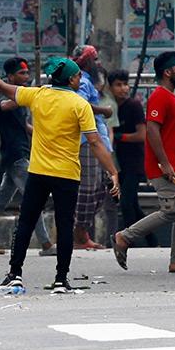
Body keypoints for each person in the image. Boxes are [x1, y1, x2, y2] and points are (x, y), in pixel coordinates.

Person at [0, 55, 120, 293]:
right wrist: (112, 171)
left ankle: (15, 273)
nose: (80, 78)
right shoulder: (79, 104)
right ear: (71, 79)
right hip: (67, 174)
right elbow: (94, 142)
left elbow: (0, 86)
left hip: (39, 172)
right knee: (64, 226)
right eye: (78, 75)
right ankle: (61, 279)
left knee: (25, 223)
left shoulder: (38, 95)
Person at [112, 52, 175, 273]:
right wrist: (165, 163)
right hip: (166, 167)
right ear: (168, 72)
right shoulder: (160, 96)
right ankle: (124, 237)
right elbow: (152, 129)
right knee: (171, 211)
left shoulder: (170, 96)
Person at [0, 58, 54, 255]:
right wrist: (33, 94)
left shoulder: (22, 98)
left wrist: (45, 135)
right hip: (16, 155)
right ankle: (46, 244)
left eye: (26, 74)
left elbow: (23, 126)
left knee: (0, 201)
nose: (25, 77)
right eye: (21, 74)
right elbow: (5, 106)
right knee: (33, 197)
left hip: (17, 154)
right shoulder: (5, 95)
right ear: (10, 77)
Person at [72, 45, 114, 249]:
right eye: (95, 59)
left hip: (98, 141)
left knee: (101, 188)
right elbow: (79, 105)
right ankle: (79, 234)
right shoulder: (83, 81)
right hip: (87, 142)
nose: (98, 63)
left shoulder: (90, 82)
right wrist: (103, 109)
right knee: (88, 189)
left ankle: (81, 232)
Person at [109, 69, 147, 231]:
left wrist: (120, 137)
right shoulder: (110, 107)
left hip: (134, 162)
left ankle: (130, 238)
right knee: (132, 204)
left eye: (125, 84)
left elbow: (142, 135)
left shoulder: (134, 106)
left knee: (126, 203)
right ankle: (152, 240)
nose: (123, 88)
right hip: (119, 162)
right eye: (118, 85)